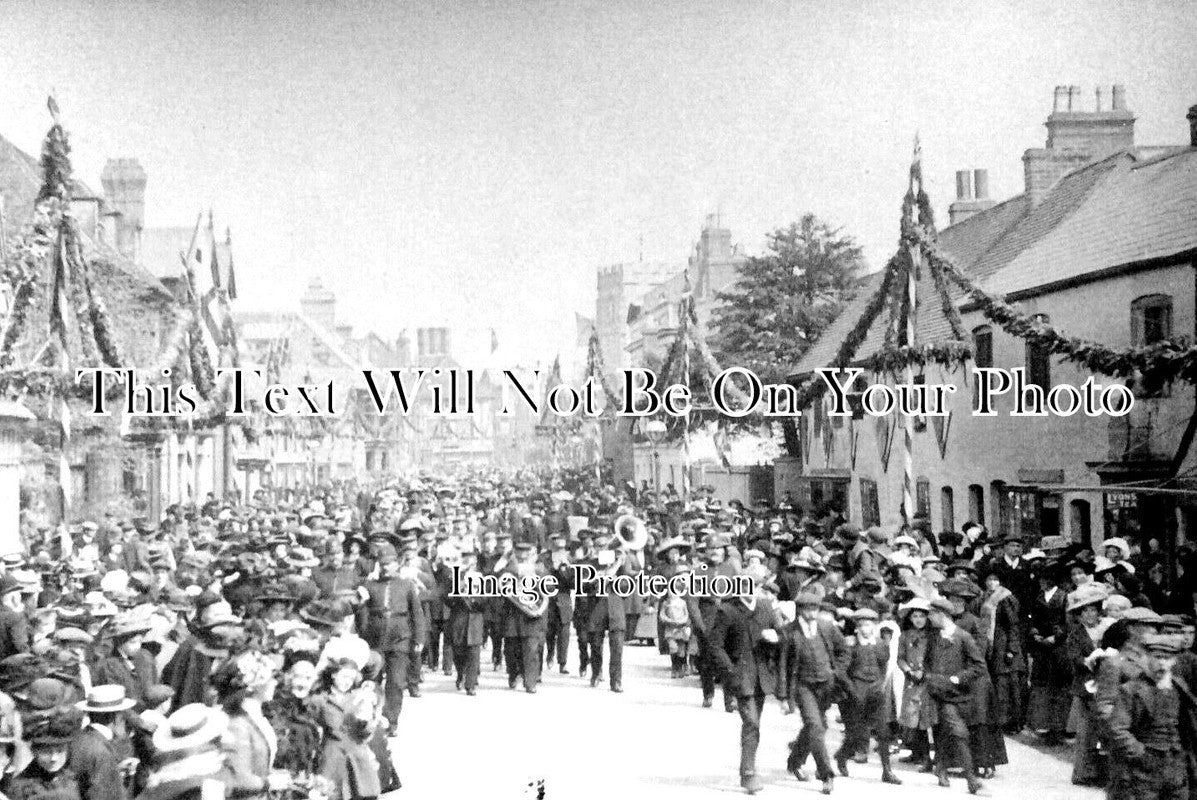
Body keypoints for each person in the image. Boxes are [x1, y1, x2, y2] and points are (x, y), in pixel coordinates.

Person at [709, 576, 781, 795]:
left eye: (755, 585)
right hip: (741, 676)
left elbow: (784, 635)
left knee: (754, 724)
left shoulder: (766, 607)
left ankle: (749, 768)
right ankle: (748, 773)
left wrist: (776, 636)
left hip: (761, 677)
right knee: (751, 723)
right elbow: (715, 646)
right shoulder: (727, 610)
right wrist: (730, 671)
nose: (750, 590)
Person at [1107, 632, 1191, 800]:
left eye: (1167, 658)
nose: (1162, 662)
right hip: (1143, 771)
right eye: (1157, 656)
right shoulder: (1131, 690)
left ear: (1174, 661)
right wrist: (1140, 753)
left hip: (1175, 767)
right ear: (1146, 657)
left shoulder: (1179, 688)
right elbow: (1117, 729)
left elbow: (1189, 725)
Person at [781, 591, 847, 795]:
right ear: (800, 610)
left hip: (826, 685)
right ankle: (826, 774)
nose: (812, 613)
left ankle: (794, 761)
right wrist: (783, 696)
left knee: (815, 727)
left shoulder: (827, 628)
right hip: (803, 685)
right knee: (815, 726)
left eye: (815, 609)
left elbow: (844, 651)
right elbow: (783, 664)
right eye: (808, 609)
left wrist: (836, 672)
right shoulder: (789, 632)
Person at [355, 544, 424, 727]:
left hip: (399, 639)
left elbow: (417, 613)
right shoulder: (370, 586)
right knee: (372, 681)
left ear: (397, 563)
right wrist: (363, 637)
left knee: (396, 682)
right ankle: (370, 720)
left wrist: (419, 638)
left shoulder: (407, 586)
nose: (385, 567)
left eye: (389, 563)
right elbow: (363, 613)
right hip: (375, 640)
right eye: (382, 563)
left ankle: (390, 720)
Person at [924, 597, 984, 795]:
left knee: (945, 732)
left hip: (960, 695)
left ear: (942, 615)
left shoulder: (964, 637)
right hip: (939, 695)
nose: (929, 618)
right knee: (958, 732)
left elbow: (978, 666)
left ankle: (941, 767)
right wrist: (930, 678)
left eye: (931, 614)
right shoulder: (932, 637)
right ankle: (971, 779)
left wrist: (958, 679)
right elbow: (927, 662)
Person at [835, 608, 901, 785]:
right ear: (857, 627)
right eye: (862, 625)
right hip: (856, 691)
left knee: (883, 732)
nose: (866, 628)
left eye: (870, 624)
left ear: (874, 625)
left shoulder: (881, 645)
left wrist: (881, 685)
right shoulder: (850, 645)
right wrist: (851, 690)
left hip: (875, 690)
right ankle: (842, 756)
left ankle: (887, 771)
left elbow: (884, 666)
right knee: (857, 733)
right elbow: (842, 672)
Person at [210, 651, 287, 800]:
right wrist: (269, 782)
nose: (275, 683)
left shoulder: (255, 717)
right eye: (270, 679)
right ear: (254, 685)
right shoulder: (237, 723)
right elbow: (239, 778)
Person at [10, 711, 83, 800]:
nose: (54, 758)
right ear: (34, 751)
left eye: (60, 751)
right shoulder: (21, 788)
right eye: (46, 752)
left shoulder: (73, 778)